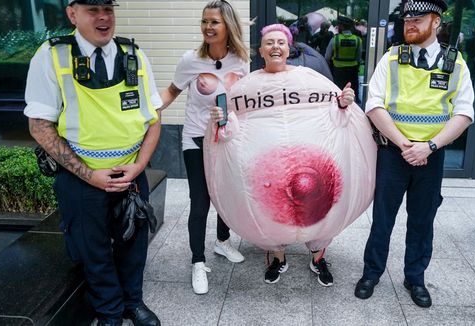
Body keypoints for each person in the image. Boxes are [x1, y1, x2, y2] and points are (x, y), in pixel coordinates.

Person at [23, 1, 162, 325]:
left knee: (134, 244)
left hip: (131, 172)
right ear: (73, 14)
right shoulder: (52, 56)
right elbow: (39, 125)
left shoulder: (134, 54)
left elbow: (155, 118)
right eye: (93, 9)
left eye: (108, 9)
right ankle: (110, 313)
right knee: (92, 249)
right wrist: (90, 175)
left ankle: (133, 303)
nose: (103, 17)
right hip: (82, 178)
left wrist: (140, 166)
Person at [210, 23, 356, 287]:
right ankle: (278, 258)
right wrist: (221, 121)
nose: (275, 47)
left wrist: (343, 104)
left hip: (309, 165)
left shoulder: (309, 79)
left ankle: (318, 258)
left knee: (320, 210)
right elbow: (232, 130)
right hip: (267, 169)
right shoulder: (247, 86)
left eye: (280, 42)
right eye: (269, 43)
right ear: (260, 50)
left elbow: (333, 117)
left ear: (289, 49)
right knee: (268, 212)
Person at [353, 0, 474, 308]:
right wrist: (404, 144)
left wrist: (430, 146)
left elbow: (464, 113)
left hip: (431, 158)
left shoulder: (455, 63)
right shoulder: (392, 58)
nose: (410, 23)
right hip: (394, 154)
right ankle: (372, 273)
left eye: (418, 18)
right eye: (407, 18)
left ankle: (415, 278)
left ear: (436, 22)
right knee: (382, 218)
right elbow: (374, 104)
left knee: (422, 221)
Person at [158, 0, 249, 295]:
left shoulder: (242, 60)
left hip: (227, 139)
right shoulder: (190, 60)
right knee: (201, 201)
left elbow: (247, 102)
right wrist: (148, 112)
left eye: (214, 22)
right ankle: (198, 261)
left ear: (228, 27)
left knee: (226, 194)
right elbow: (171, 92)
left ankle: (222, 242)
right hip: (196, 139)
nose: (207, 27)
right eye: (204, 21)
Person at [325, 16, 362, 101]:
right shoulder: (358, 40)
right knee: (352, 94)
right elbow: (358, 58)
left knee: (338, 93)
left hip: (338, 71)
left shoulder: (335, 39)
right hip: (352, 71)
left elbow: (327, 57)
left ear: (341, 26)